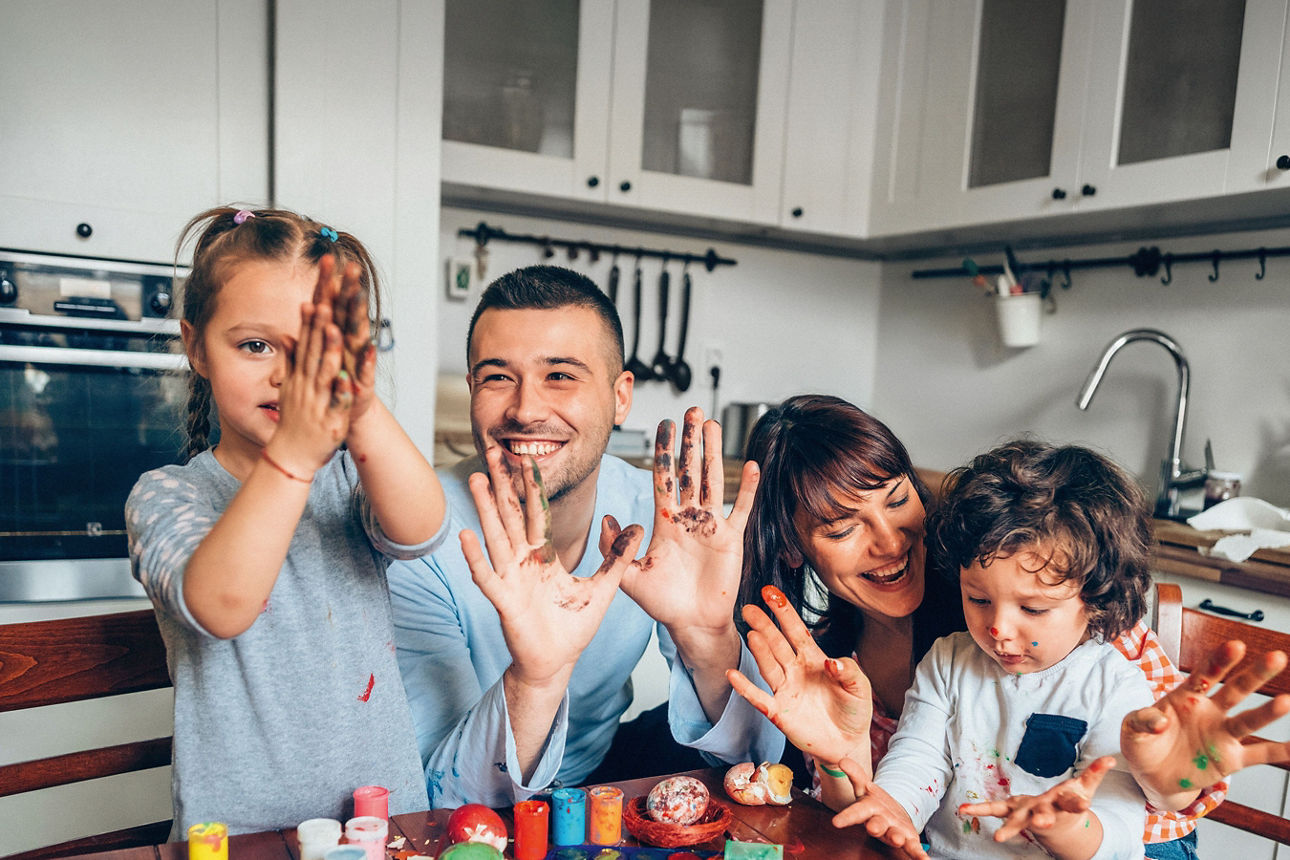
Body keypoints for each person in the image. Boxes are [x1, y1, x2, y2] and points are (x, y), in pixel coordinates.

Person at [726, 394, 1280, 860]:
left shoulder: (1106, 653)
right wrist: (865, 782)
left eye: (898, 500)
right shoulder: (932, 657)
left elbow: (1126, 818)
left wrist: (1131, 796)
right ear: (795, 549)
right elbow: (914, 765)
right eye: (845, 527)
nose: (1000, 630)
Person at [387, 265, 781, 808]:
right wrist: (536, 679)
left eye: (560, 376)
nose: (525, 410)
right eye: (497, 377)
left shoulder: (658, 518)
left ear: (621, 398)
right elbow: (436, 796)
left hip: (599, 776)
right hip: (473, 794)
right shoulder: (417, 534)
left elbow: (757, 769)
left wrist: (705, 635)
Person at [126, 207, 446, 836]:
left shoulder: (353, 478)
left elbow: (422, 529)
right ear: (197, 348)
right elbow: (222, 606)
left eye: (313, 350)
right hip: (242, 837)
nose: (285, 374)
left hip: (379, 821)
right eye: (255, 345)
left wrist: (365, 409)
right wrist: (294, 455)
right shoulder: (168, 496)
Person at [832, 440, 1157, 859]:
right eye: (979, 600)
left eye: (1033, 608)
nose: (998, 628)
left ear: (1096, 600)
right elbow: (919, 756)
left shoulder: (1114, 689)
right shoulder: (949, 661)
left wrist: (1069, 831)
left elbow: (1122, 832)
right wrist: (894, 806)